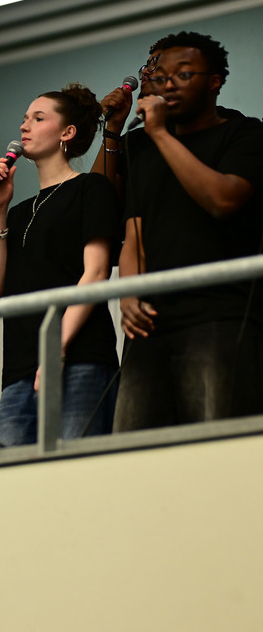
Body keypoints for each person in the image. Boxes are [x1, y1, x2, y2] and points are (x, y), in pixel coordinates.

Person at [97, 31, 263, 430]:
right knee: (134, 457)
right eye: (160, 76)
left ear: (214, 81)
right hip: (149, 323)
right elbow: (124, 223)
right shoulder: (139, 147)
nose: (168, 84)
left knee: (217, 449)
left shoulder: (246, 134)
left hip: (221, 317)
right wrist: (128, 292)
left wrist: (157, 133)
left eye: (183, 75)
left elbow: (222, 199)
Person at [0, 83, 121, 446]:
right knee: (11, 481)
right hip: (19, 365)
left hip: (78, 356)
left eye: (38, 118)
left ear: (67, 132)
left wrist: (55, 347)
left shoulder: (91, 189)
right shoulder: (15, 211)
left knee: (76, 474)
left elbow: (95, 272)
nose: (24, 127)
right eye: (24, 119)